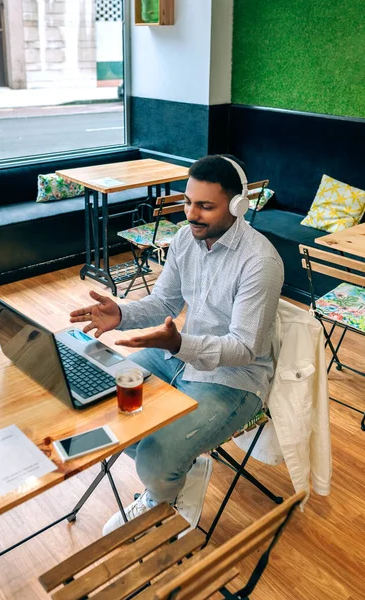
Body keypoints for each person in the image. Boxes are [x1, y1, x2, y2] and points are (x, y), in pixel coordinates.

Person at [70, 154, 284, 535]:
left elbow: (244, 348)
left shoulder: (260, 262)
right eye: (188, 202)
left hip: (236, 379)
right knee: (113, 407)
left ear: (238, 206)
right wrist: (120, 314)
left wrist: (180, 343)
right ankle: (184, 467)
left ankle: (163, 495)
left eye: (205, 206)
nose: (191, 214)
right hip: (181, 355)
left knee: (155, 455)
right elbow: (165, 303)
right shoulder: (186, 238)